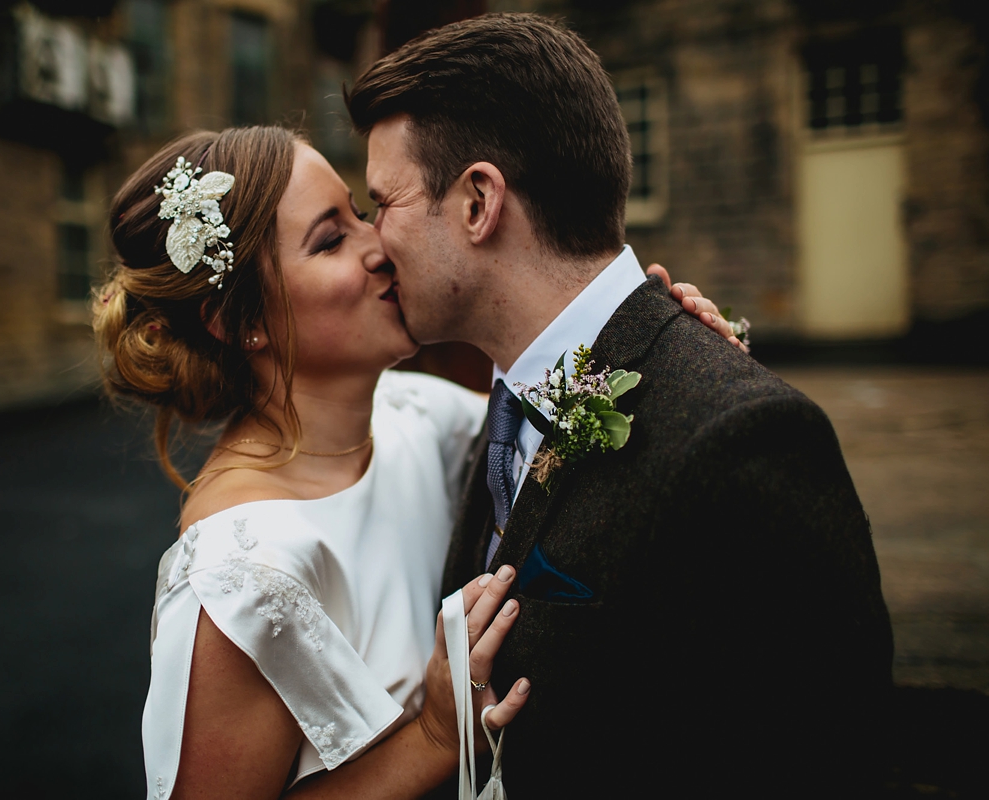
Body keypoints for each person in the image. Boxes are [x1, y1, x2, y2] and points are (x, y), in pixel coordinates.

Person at [94, 126, 737, 798]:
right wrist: (434, 734)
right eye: (330, 239)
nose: (379, 246)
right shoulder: (239, 576)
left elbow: (555, 430)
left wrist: (656, 349)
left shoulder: (419, 416)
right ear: (237, 319)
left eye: (359, 213)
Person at [345, 12, 895, 797]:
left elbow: (822, 759)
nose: (371, 241)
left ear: (477, 203)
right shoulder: (501, 406)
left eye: (381, 203)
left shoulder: (743, 441)